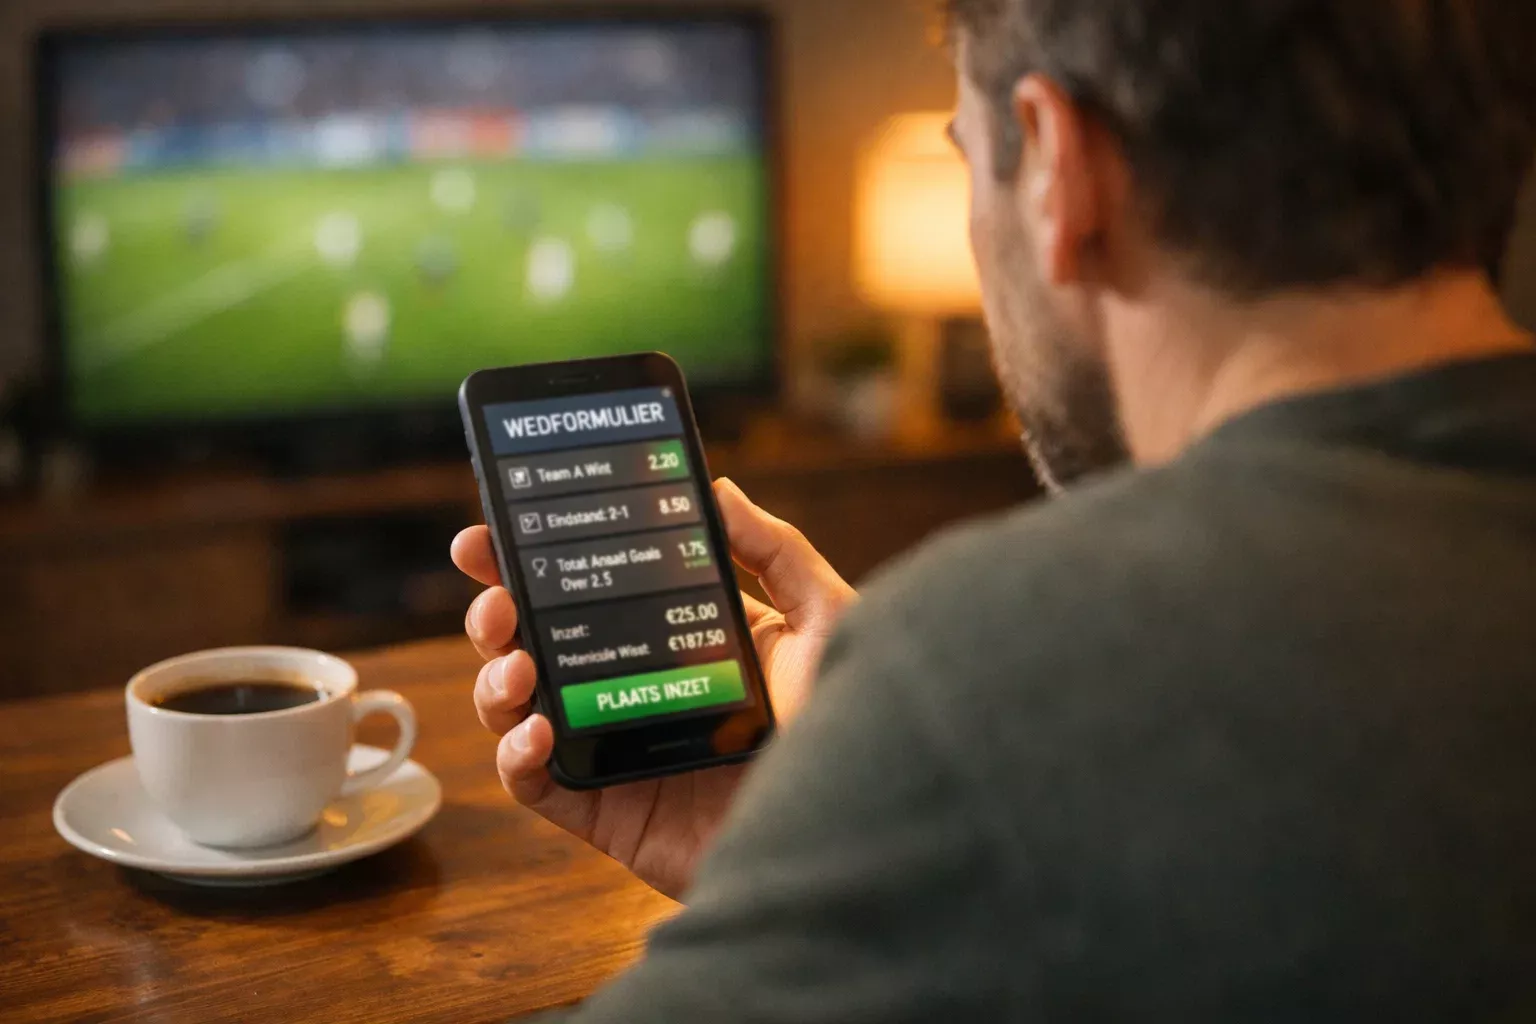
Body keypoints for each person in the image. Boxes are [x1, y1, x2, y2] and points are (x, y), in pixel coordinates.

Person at [452, 1, 1536, 1018]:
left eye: (965, 154)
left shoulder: (987, 671)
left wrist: (890, 782)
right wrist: (824, 861)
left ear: (1057, 167)